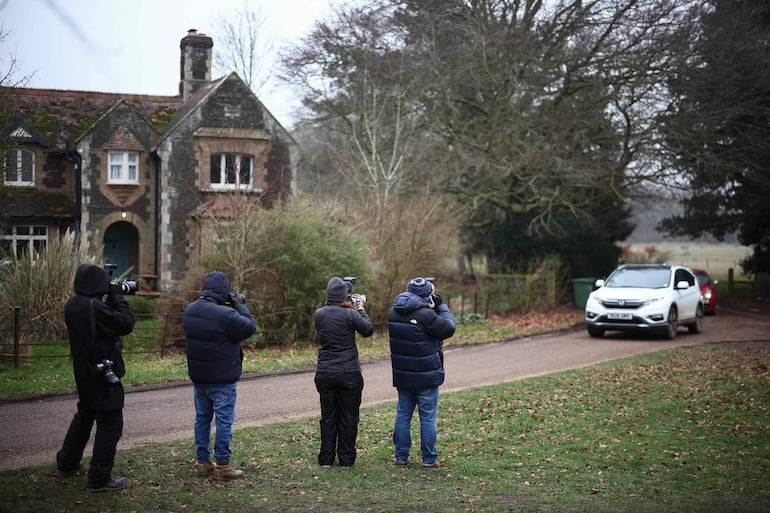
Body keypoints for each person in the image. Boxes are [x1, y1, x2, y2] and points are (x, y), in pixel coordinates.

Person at [53, 263, 136, 492]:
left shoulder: (74, 304)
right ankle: (99, 479)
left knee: (85, 416)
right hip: (103, 375)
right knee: (111, 424)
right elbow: (125, 323)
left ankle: (67, 463)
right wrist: (118, 296)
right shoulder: (94, 307)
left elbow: (102, 325)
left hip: (84, 373)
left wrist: (106, 295)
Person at [183, 271, 256, 479]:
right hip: (222, 379)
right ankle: (223, 466)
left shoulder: (190, 310)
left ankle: (203, 462)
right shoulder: (225, 314)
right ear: (225, 292)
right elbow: (249, 326)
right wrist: (239, 304)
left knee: (202, 419)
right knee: (224, 421)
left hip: (199, 376)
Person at [387, 277, 456, 468]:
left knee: (402, 415)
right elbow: (449, 328)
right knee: (427, 417)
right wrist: (441, 307)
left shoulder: (393, 312)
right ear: (427, 295)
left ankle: (401, 456)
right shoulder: (427, 315)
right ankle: (429, 458)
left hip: (403, 375)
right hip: (426, 375)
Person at [313, 276, 374, 467]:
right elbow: (368, 330)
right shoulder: (351, 314)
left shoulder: (319, 314)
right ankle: (346, 459)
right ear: (344, 296)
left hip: (325, 372)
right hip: (349, 372)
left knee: (328, 416)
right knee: (349, 416)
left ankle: (326, 458)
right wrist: (360, 308)